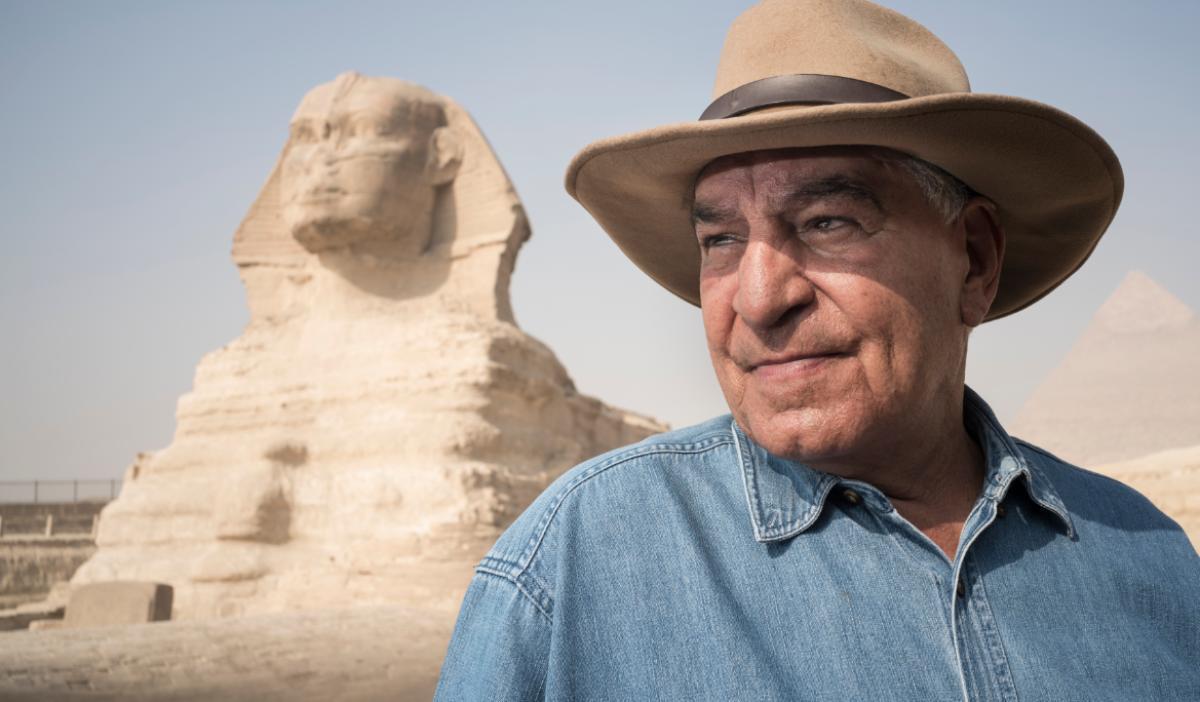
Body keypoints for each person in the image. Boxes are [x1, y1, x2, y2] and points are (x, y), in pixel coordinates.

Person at [434, 1, 1199, 699]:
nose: (760, 298)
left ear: (974, 257)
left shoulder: (1152, 562)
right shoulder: (571, 567)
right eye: (720, 239)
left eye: (828, 222)